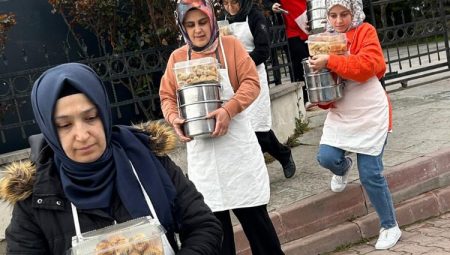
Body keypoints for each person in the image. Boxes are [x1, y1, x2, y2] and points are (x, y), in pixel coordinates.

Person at [0, 63, 222, 254]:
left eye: (91, 117)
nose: (82, 135)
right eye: (65, 125)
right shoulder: (36, 199)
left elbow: (204, 226)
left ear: (104, 114)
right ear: (49, 131)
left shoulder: (149, 159)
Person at [159, 1, 284, 254]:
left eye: (202, 22)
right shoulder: (177, 58)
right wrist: (174, 119)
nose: (198, 30)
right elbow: (167, 97)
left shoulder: (231, 47)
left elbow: (251, 82)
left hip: (237, 152)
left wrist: (229, 109)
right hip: (205, 159)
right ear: (182, 27)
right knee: (217, 235)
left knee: (258, 228)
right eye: (190, 25)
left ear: (212, 20)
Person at [308, 0, 401, 250]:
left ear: (354, 12)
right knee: (326, 158)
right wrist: (321, 99)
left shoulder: (365, 31)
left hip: (370, 112)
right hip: (343, 113)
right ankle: (342, 167)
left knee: (370, 174)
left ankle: (390, 226)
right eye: (333, 15)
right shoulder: (323, 39)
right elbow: (327, 87)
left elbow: (372, 66)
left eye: (344, 14)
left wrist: (331, 61)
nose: (339, 21)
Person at [220, 0, 296, 178]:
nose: (230, 8)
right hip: (232, 78)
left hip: (254, 75)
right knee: (242, 127)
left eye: (234, 3)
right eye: (226, 4)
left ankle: (283, 156)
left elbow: (263, 52)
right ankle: (257, 170)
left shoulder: (255, 17)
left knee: (258, 128)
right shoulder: (222, 20)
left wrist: (241, 63)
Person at [263, 0, 312, 110]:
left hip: (308, 21)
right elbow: (265, 2)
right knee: (299, 64)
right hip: (290, 30)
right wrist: (271, 5)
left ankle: (315, 94)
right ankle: (305, 98)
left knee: (313, 61)